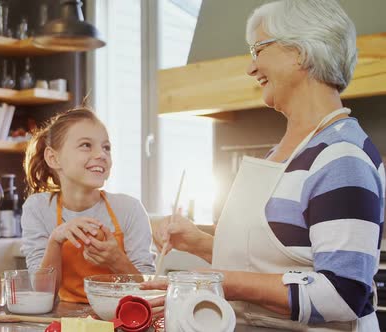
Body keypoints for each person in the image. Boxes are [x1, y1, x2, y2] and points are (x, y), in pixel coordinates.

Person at [146, 0, 384, 330]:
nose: (250, 67)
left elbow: (344, 295)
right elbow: (277, 262)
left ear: (299, 51)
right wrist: (197, 243)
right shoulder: (283, 153)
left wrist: (219, 281)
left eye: (258, 49)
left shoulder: (342, 156)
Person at [21, 106, 155, 303]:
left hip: (119, 316)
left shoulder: (130, 209)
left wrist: (117, 260)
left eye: (106, 147)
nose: (101, 154)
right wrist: (55, 240)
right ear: (53, 157)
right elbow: (42, 292)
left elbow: (148, 289)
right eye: (86, 145)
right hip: (63, 319)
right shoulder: (38, 208)